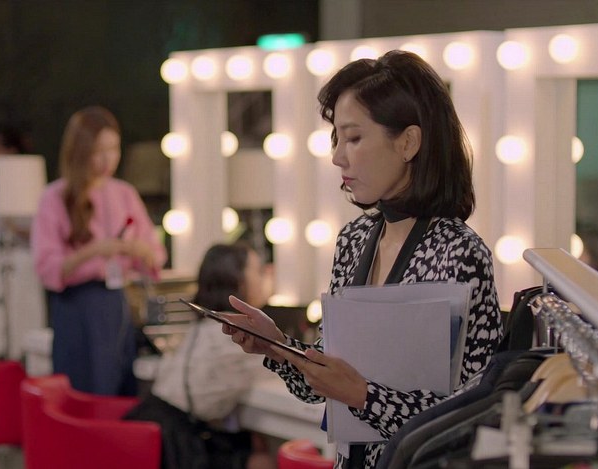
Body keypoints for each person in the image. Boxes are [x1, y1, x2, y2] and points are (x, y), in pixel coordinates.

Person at [221, 50, 503, 468]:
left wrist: (363, 396)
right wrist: (278, 347)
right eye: (337, 139)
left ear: (408, 142)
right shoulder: (354, 239)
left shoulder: (458, 252)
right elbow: (323, 382)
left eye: (353, 138)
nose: (338, 157)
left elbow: (471, 417)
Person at [31, 105, 167, 396]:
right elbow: (47, 269)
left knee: (119, 386)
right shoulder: (55, 197)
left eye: (113, 149)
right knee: (85, 390)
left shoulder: (124, 194)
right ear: (80, 152)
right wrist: (94, 251)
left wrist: (140, 251)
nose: (108, 160)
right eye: (98, 151)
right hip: (77, 306)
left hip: (117, 303)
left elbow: (155, 256)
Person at [126, 243, 277, 469]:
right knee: (262, 461)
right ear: (238, 281)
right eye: (258, 271)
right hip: (173, 444)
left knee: (252, 442)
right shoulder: (236, 337)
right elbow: (284, 370)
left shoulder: (207, 325)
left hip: (153, 426)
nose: (266, 277)